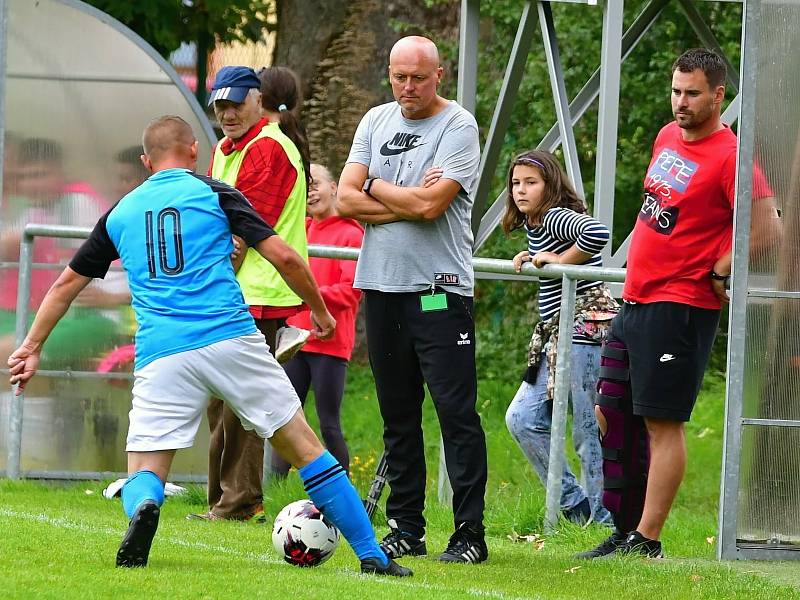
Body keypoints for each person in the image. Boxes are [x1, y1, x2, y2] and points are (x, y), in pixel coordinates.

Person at [7, 115, 411, 577]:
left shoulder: (120, 212)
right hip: (229, 337)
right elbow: (282, 255)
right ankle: (373, 555)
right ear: (195, 151)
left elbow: (64, 285)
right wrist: (318, 309)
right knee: (303, 445)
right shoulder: (216, 193)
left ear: (145, 161)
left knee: (145, 467)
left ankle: (145, 507)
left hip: (162, 353)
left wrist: (32, 346)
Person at [576, 48, 779, 559]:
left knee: (662, 423)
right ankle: (622, 528)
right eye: (676, 91)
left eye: (692, 93)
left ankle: (647, 539)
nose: (681, 102)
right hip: (636, 297)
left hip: (681, 305)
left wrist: (719, 266)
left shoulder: (731, 154)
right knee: (610, 412)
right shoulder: (667, 137)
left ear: (718, 95)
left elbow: (766, 227)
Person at [337, 35, 489, 564]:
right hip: (381, 288)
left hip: (438, 292)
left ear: (438, 76)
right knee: (397, 415)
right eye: (399, 76)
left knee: (455, 413)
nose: (407, 87)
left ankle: (470, 533)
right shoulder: (375, 120)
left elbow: (431, 206)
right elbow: (342, 197)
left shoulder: (458, 126)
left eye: (418, 78)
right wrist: (399, 196)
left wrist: (375, 188)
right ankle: (407, 526)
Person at [190, 65, 310, 523]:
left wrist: (206, 281)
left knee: (240, 403)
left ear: (258, 100)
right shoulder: (226, 148)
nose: (228, 113)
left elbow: (245, 231)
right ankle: (224, 498)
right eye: (220, 105)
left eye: (236, 103)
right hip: (232, 291)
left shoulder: (269, 149)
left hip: (257, 294)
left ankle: (240, 501)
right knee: (221, 401)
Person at [502, 150, 615, 526]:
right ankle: (575, 504)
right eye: (516, 183)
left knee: (587, 428)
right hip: (557, 332)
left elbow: (597, 233)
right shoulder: (537, 224)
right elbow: (550, 253)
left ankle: (604, 521)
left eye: (531, 183)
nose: (521, 190)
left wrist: (560, 262)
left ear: (550, 185)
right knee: (522, 417)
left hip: (584, 327)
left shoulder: (554, 215)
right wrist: (535, 255)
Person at [272, 163, 364, 477]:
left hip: (331, 343)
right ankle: (275, 493)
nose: (311, 192)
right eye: (305, 186)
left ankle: (343, 494)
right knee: (284, 419)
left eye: (316, 184)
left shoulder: (352, 233)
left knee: (328, 422)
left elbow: (350, 291)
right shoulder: (300, 230)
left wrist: (309, 295)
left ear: (335, 187)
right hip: (295, 340)